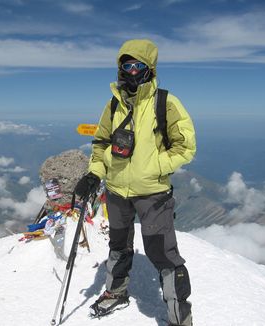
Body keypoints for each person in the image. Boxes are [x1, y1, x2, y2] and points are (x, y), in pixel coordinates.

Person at [74, 39, 196, 326]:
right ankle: (116, 293)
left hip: (153, 194)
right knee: (118, 245)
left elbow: (185, 147)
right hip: (116, 191)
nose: (130, 71)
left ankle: (180, 318)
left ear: (149, 68)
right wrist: (94, 174)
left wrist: (155, 167)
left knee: (163, 254)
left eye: (137, 65)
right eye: (125, 65)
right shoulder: (114, 104)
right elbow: (101, 142)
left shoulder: (165, 102)